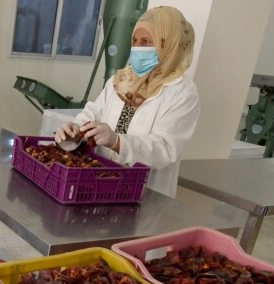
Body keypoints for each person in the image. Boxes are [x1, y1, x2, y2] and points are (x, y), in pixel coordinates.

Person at [55, 6, 199, 198]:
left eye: (146, 42)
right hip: (100, 181)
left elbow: (165, 148)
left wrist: (117, 142)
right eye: (135, 41)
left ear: (169, 45)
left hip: (144, 192)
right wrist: (75, 129)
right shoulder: (121, 80)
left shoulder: (182, 93)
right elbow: (94, 112)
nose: (137, 48)